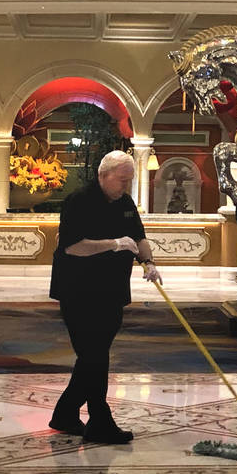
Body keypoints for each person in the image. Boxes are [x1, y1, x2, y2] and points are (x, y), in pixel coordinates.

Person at [49, 150, 162, 444]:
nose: (125, 187)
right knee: (94, 356)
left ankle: (64, 413)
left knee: (92, 357)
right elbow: (72, 247)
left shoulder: (124, 203)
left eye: (129, 181)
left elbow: (138, 236)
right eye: (122, 180)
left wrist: (149, 262)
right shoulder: (79, 201)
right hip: (79, 291)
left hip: (111, 291)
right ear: (103, 175)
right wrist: (113, 244)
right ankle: (100, 421)